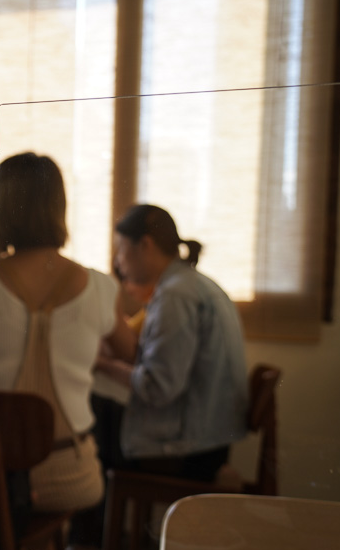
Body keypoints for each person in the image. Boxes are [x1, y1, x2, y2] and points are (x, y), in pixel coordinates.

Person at [0, 153, 136, 513]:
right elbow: (130, 351)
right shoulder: (103, 288)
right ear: (58, 207)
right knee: (36, 534)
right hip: (72, 473)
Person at [95, 204, 248, 482]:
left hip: (187, 449)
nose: (117, 261)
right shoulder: (192, 284)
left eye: (121, 249)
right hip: (209, 440)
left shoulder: (175, 295)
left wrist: (102, 365)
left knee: (93, 419)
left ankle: (98, 526)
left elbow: (157, 387)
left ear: (145, 245)